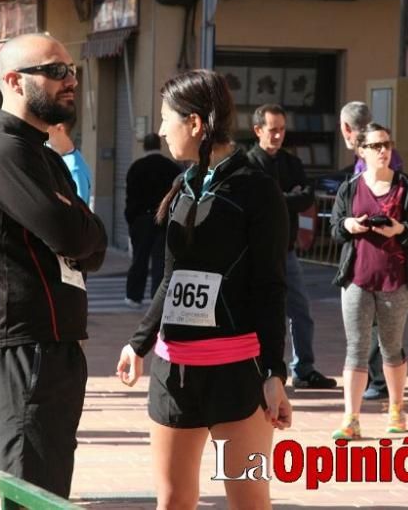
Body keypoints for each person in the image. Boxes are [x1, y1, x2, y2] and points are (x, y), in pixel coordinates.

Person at [116, 70, 292, 509]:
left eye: (165, 119)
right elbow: (173, 280)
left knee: (248, 500)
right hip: (173, 370)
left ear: (195, 124)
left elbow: (271, 285)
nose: (159, 129)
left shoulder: (257, 190)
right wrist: (138, 343)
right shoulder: (183, 186)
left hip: (237, 371)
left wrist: (274, 373)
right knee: (173, 500)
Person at [0, 33, 107, 497]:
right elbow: (70, 234)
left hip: (54, 346)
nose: (70, 81)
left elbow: (96, 247)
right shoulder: (2, 151)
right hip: (16, 349)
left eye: (72, 70)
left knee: (49, 491)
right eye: (56, 70)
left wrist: (79, 226)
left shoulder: (45, 155)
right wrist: (78, 226)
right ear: (14, 82)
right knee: (27, 493)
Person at [330, 123, 408, 438]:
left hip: (395, 278)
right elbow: (335, 228)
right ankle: (350, 419)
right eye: (376, 145)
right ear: (362, 151)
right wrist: (349, 224)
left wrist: (401, 230)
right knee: (356, 347)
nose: (384, 151)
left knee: (391, 346)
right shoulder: (350, 187)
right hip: (357, 277)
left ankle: (396, 409)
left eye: (387, 144)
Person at [248, 103, 336, 389]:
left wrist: (279, 199)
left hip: (286, 251)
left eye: (282, 130)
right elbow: (256, 203)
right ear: (258, 130)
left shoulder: (291, 163)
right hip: (256, 253)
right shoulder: (248, 162)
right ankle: (256, 368)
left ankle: (304, 368)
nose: (278, 136)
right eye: (272, 130)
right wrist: (286, 198)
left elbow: (307, 198)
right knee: (258, 312)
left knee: (300, 311)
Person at [339, 101, 388, 402]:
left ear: (345, 129)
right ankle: (379, 379)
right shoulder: (381, 156)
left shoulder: (366, 166)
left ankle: (380, 380)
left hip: (374, 257)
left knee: (373, 326)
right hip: (367, 257)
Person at [124, 132, 181, 308]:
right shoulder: (171, 167)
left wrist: (132, 220)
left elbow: (130, 196)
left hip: (142, 219)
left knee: (139, 259)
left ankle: (134, 296)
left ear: (145, 146)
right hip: (164, 219)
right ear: (159, 145)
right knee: (160, 261)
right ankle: (158, 297)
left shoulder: (136, 167)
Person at [46, 114, 92, 206]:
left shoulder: (75, 169)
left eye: (47, 124)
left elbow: (77, 212)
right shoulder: (48, 152)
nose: (42, 128)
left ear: (60, 128)